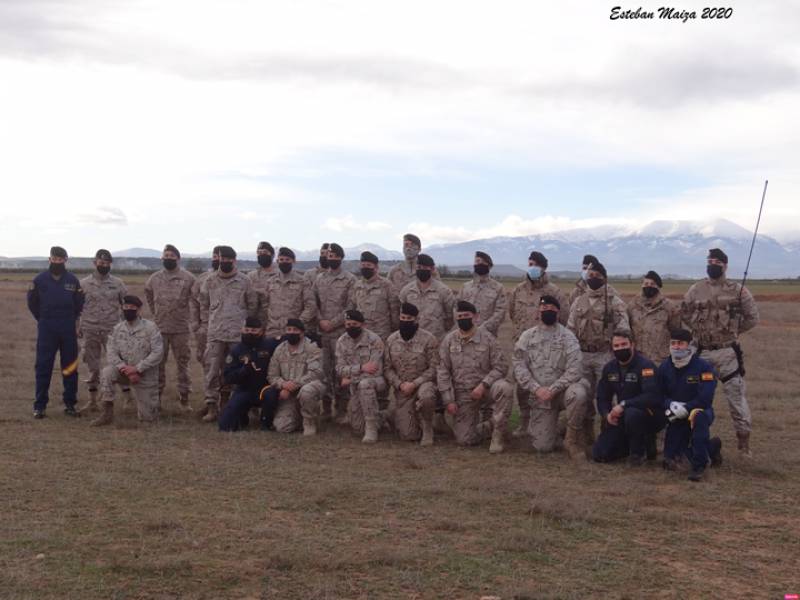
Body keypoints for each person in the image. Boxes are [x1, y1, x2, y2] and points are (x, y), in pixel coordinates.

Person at [682, 248, 759, 457]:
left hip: (727, 353)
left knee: (736, 398)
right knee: (694, 396)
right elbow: (685, 313)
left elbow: (752, 317)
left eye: (716, 261)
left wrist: (733, 331)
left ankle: (744, 444)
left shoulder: (739, 290)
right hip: (702, 352)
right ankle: (692, 439)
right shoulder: (695, 289)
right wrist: (699, 331)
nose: (712, 264)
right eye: (709, 261)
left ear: (725, 265)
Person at [512, 295, 587, 457]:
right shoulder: (527, 336)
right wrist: (536, 388)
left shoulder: (568, 337)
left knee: (579, 393)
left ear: (558, 313)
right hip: (540, 395)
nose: (547, 311)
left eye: (552, 309)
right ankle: (557, 426)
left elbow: (575, 368)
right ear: (538, 312)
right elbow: (518, 365)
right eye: (544, 309)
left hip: (561, 393)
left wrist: (553, 389)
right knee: (543, 446)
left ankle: (571, 438)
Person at [567, 260, 629, 446]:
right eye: (590, 275)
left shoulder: (614, 301)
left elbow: (623, 327)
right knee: (583, 394)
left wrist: (617, 348)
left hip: (604, 355)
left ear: (604, 278)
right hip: (582, 354)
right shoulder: (579, 300)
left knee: (606, 395)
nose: (592, 279)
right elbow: (570, 328)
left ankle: (607, 433)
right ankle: (585, 434)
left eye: (597, 276)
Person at [438, 300, 512, 453]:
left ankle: (498, 434)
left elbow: (501, 367)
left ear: (476, 317)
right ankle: (490, 424)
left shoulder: (488, 339)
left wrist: (484, 384)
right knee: (465, 440)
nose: (463, 319)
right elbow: (443, 371)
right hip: (463, 393)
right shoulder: (449, 340)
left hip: (486, 389)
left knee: (504, 388)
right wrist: (448, 400)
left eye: (467, 315)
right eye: (460, 316)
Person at [507, 250, 567, 438]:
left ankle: (550, 422)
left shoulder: (555, 292)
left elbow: (563, 317)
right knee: (523, 386)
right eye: (530, 263)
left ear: (544, 268)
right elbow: (512, 313)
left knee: (546, 386)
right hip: (523, 347)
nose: (532, 267)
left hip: (546, 349)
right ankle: (524, 422)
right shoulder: (518, 290)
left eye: (536, 264)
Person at [199, 245, 259, 422]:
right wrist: (206, 324)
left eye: (228, 259)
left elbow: (252, 304)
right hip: (215, 334)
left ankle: (234, 405)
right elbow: (204, 304)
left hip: (237, 335)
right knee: (211, 371)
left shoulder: (244, 281)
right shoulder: (209, 281)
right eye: (221, 259)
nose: (224, 262)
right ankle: (211, 406)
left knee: (237, 371)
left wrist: (244, 326)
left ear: (234, 260)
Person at [27, 246, 85, 418]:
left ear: (66, 260)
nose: (57, 262)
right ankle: (40, 406)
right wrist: (43, 319)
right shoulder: (39, 280)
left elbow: (79, 303)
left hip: (67, 328)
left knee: (69, 367)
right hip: (47, 328)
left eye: (61, 259)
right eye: (54, 259)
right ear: (49, 259)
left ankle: (70, 404)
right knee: (44, 366)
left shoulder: (72, 280)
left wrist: (71, 320)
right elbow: (32, 303)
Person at [591, 331, 665, 465]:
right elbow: (602, 396)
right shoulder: (610, 368)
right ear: (612, 348)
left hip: (649, 414)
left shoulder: (645, 366)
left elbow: (652, 396)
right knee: (600, 454)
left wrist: (624, 404)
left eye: (624, 344)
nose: (620, 348)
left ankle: (638, 453)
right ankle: (631, 445)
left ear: (632, 345)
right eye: (616, 346)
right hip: (622, 416)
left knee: (632, 413)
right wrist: (607, 414)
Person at [658, 329, 723, 482]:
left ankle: (700, 466)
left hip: (699, 411)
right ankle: (712, 448)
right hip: (674, 414)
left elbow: (706, 397)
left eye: (680, 344)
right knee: (670, 460)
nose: (676, 347)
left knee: (699, 418)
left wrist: (686, 408)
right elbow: (658, 394)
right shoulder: (664, 367)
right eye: (673, 343)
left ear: (689, 345)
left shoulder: (704, 367)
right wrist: (670, 404)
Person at [91, 295, 164, 425]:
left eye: (132, 308)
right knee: (107, 372)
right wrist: (125, 368)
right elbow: (111, 352)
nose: (128, 310)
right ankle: (107, 414)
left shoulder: (151, 328)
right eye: (125, 307)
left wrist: (137, 369)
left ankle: (149, 410)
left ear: (139, 310)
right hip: (124, 372)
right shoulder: (118, 328)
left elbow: (157, 353)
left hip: (145, 375)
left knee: (148, 420)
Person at [144, 244, 196, 411]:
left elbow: (195, 300)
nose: (168, 258)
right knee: (157, 365)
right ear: (162, 258)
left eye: (172, 256)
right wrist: (156, 313)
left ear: (178, 259)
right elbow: (149, 296)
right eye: (166, 256)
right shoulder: (154, 278)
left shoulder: (188, 278)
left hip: (181, 329)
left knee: (183, 365)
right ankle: (156, 400)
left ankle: (185, 399)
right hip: (160, 329)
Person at [78, 249, 128, 413]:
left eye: (107, 263)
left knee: (119, 363)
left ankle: (127, 397)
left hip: (112, 331)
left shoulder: (118, 283)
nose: (104, 265)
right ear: (95, 263)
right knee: (92, 366)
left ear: (110, 264)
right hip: (90, 329)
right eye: (101, 262)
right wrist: (78, 326)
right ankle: (92, 400)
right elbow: (77, 308)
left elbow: (126, 305)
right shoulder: (83, 284)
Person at [383, 302, 439, 446]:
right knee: (408, 435)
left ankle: (427, 428)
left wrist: (415, 383)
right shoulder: (391, 340)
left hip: (423, 385)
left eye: (409, 318)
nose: (405, 321)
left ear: (416, 319)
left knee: (426, 396)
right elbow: (387, 369)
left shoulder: (429, 339)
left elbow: (434, 368)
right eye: (403, 317)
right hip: (403, 390)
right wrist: (399, 384)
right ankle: (393, 414)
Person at [313, 243, 356, 422]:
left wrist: (333, 323)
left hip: (340, 333)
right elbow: (313, 303)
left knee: (341, 371)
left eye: (334, 255)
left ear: (340, 257)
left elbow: (351, 306)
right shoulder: (319, 279)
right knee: (323, 370)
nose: (331, 258)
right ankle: (326, 406)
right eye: (328, 255)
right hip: (322, 332)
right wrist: (321, 320)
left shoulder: (350, 279)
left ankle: (341, 408)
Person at [218, 317, 281, 432]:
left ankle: (266, 423)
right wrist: (243, 371)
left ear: (261, 331)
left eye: (253, 331)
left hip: (265, 387)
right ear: (242, 330)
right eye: (247, 330)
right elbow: (227, 377)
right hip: (244, 389)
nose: (250, 333)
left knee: (270, 394)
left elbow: (289, 339)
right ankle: (242, 418)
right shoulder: (236, 350)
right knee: (225, 426)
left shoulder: (270, 345)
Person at [335, 310, 387, 443]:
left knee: (365, 384)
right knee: (357, 428)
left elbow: (375, 370)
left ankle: (371, 428)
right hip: (355, 385)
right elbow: (340, 369)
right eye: (348, 324)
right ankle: (383, 416)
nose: (351, 327)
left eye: (354, 324)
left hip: (376, 381)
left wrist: (351, 377)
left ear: (363, 325)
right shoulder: (342, 341)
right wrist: (361, 368)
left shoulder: (374, 340)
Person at [267, 319, 326, 435]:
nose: (291, 332)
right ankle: (299, 416)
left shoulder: (312, 347)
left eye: (295, 330)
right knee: (282, 427)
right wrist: (283, 384)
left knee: (307, 391)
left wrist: (293, 385)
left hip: (310, 387)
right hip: (289, 392)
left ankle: (310, 421)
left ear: (302, 333)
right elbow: (272, 375)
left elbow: (315, 374)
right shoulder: (279, 349)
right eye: (289, 330)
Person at [627, 270, 681, 364]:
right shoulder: (632, 305)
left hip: (661, 359)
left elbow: (676, 330)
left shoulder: (669, 306)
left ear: (658, 286)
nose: (648, 286)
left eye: (652, 284)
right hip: (638, 358)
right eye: (646, 283)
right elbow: (628, 329)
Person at [398, 253, 454, 342]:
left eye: (424, 267)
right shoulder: (406, 291)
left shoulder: (444, 291)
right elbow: (402, 315)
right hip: (412, 340)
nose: (421, 270)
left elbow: (450, 317)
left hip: (436, 340)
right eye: (419, 267)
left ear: (432, 269)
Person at [260, 247, 315, 338]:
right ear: (277, 261)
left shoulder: (302, 281)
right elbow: (265, 305)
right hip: (273, 331)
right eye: (281, 259)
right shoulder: (270, 281)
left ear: (293, 261)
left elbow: (311, 306)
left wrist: (299, 323)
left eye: (287, 259)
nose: (284, 262)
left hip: (294, 332)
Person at [349, 250, 399, 340]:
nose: (365, 268)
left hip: (381, 334)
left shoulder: (386, 285)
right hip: (361, 334)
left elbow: (394, 311)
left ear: (375, 267)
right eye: (363, 265)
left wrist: (394, 330)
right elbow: (352, 307)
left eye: (368, 265)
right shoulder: (357, 285)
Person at [456, 251, 507, 338]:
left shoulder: (498, 288)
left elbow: (500, 313)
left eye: (482, 262)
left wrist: (483, 329)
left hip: (487, 335)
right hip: (465, 333)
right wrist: (463, 325)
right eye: (477, 262)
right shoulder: (465, 287)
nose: (479, 264)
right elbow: (456, 308)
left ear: (489, 265)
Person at [190, 246, 221, 367]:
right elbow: (193, 301)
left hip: (227, 328)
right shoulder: (202, 279)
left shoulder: (237, 279)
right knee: (206, 360)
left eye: (219, 257)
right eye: (214, 257)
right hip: (205, 327)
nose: (217, 259)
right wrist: (195, 324)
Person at [303, 243, 330, 338]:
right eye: (322, 253)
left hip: (332, 326)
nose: (324, 256)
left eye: (327, 254)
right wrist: (320, 320)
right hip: (312, 326)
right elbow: (309, 300)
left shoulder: (341, 277)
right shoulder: (309, 275)